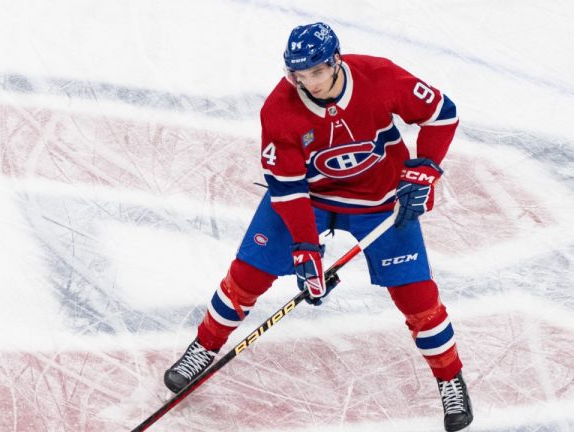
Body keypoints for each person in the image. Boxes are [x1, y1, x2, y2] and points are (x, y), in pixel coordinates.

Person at [163, 22, 473, 432]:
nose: (307, 83)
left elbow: (442, 114)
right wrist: (305, 249)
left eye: (316, 72)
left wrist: (425, 168)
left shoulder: (380, 77)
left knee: (417, 297)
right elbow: (288, 190)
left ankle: (449, 377)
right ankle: (204, 347)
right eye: (298, 75)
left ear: (335, 61)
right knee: (247, 274)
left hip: (378, 199)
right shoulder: (279, 109)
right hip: (309, 198)